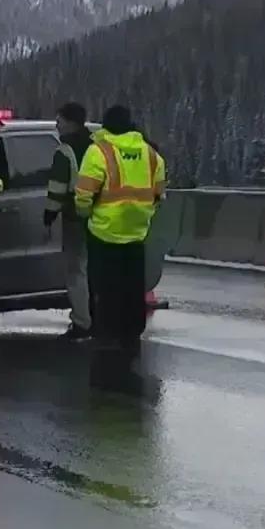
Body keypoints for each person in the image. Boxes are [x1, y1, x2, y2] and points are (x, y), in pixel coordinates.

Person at [73, 105, 166, 350]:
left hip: (104, 230)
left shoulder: (98, 151)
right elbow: (158, 191)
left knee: (104, 285)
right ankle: (132, 330)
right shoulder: (150, 153)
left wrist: (85, 213)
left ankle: (106, 330)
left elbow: (84, 192)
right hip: (137, 230)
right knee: (132, 285)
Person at [43, 102, 95, 340]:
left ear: (71, 122)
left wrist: (50, 213)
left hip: (75, 216)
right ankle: (98, 318)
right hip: (101, 217)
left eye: (59, 120)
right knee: (93, 271)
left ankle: (82, 322)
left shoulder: (65, 151)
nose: (56, 124)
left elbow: (57, 188)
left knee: (76, 271)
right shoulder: (96, 148)